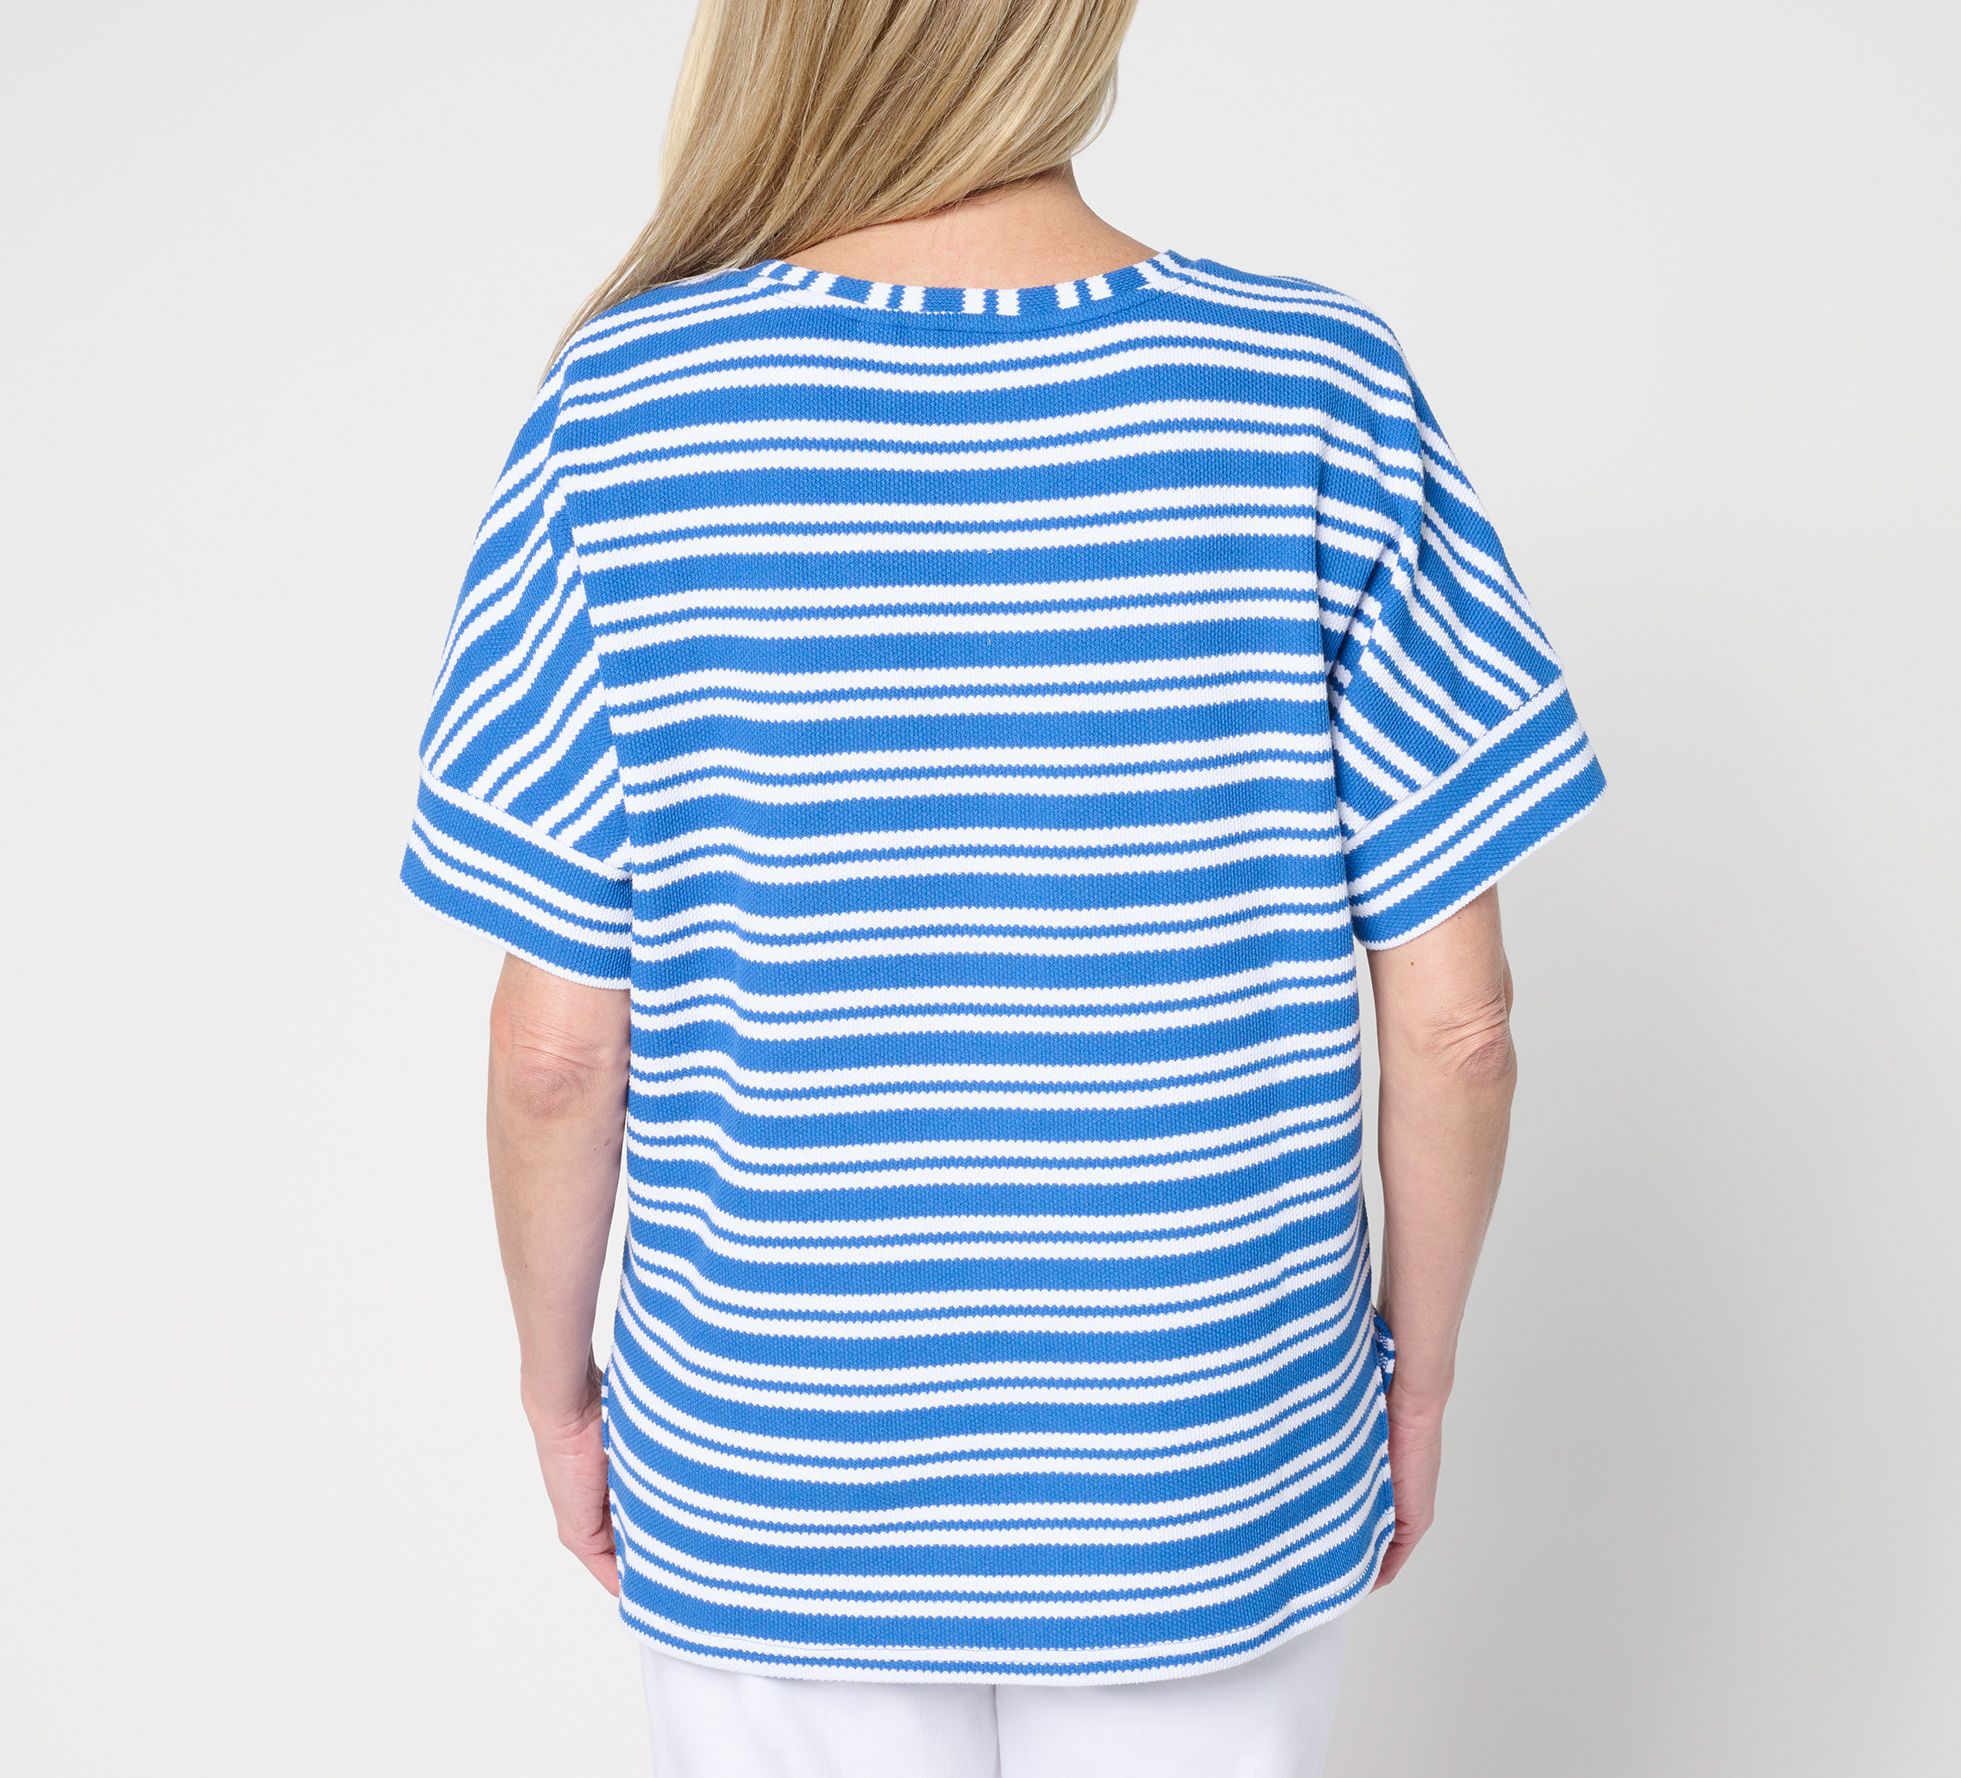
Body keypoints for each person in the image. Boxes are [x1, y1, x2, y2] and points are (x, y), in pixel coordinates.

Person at [398, 2, 1605, 1772]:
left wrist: (555, 1387)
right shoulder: (1315, 385)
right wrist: (1412, 1382)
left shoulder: (626, 413)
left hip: (777, 1461)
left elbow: (555, 1049)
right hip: (1208, 1452)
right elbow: (1459, 1024)